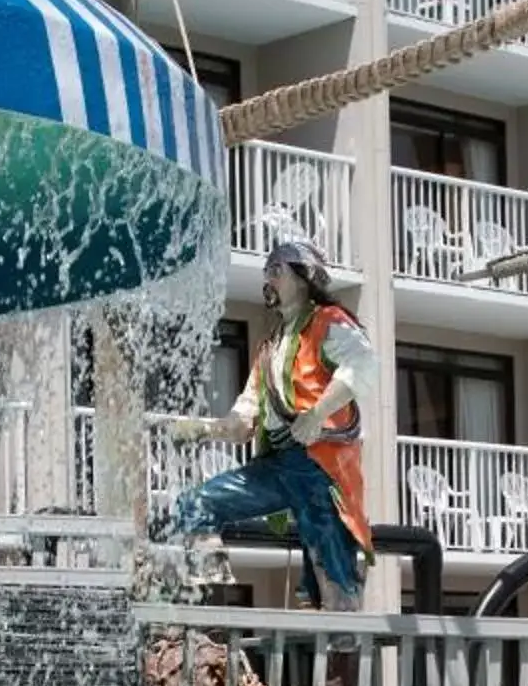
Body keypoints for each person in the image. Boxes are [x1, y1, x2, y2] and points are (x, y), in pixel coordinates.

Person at [153, 237, 376, 613]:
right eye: (266, 272)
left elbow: (363, 363)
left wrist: (317, 415)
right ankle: (199, 601)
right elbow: (245, 420)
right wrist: (205, 430)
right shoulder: (269, 348)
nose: (268, 280)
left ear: (303, 278)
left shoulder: (329, 322)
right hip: (276, 466)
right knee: (196, 505)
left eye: (276, 271)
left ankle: (342, 629)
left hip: (319, 465)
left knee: (329, 566)